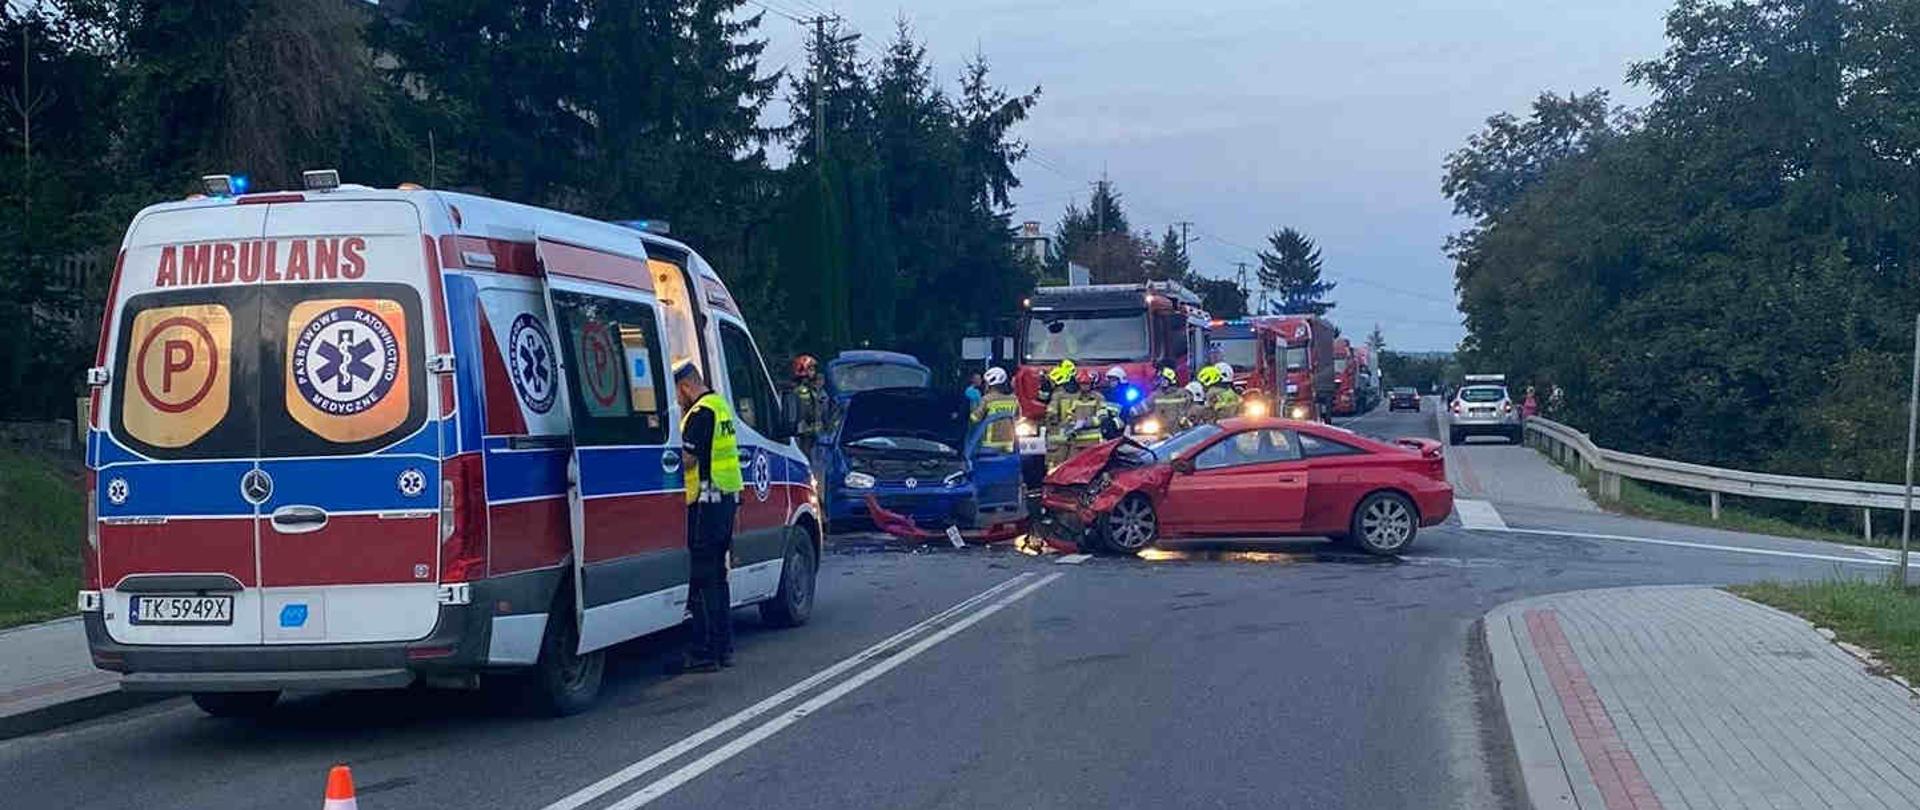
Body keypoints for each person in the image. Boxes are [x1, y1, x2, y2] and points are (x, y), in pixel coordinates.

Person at [675, 361, 742, 673]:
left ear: (686, 386)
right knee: (717, 575)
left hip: (705, 501)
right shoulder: (721, 405)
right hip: (725, 499)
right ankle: (724, 647)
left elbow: (688, 460)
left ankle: (705, 652)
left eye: (677, 394)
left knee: (701, 578)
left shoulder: (701, 413)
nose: (677, 400)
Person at [972, 366, 1020, 453]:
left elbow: (975, 418)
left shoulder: (987, 399)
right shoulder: (1013, 399)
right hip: (1009, 444)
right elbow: (1017, 417)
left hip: (989, 445)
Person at [1044, 362, 1080, 467]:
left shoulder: (1057, 395)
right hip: (1074, 438)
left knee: (1057, 467)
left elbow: (1051, 414)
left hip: (1058, 439)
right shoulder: (1085, 395)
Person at [790, 354, 825, 458]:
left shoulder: (809, 389)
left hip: (810, 434)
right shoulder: (802, 391)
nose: (814, 372)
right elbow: (808, 412)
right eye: (811, 369)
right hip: (804, 435)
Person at [1066, 369, 1108, 455]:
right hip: (1076, 442)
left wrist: (1086, 422)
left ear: (1091, 384)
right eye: (1082, 384)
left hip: (1093, 441)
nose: (1084, 386)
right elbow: (1069, 414)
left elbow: (1102, 416)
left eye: (1086, 384)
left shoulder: (1099, 398)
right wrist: (1071, 424)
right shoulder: (1074, 398)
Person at [1149, 366, 1190, 431]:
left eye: (1161, 379)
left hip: (1180, 432)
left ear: (1167, 380)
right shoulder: (1156, 394)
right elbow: (1145, 405)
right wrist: (1131, 411)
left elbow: (1190, 409)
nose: (1159, 381)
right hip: (1163, 432)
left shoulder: (1183, 393)